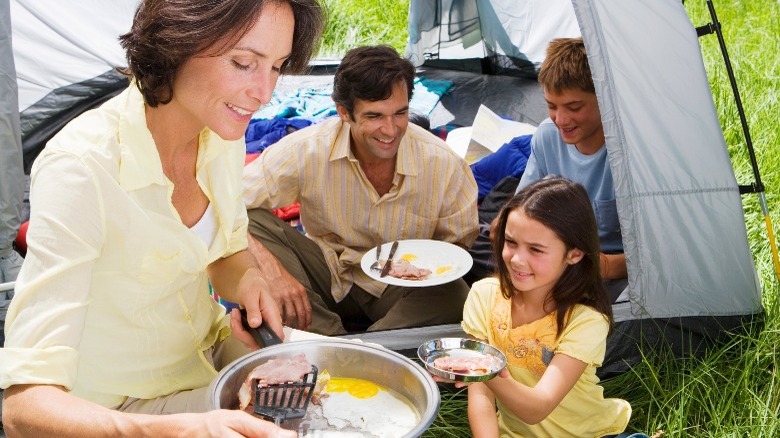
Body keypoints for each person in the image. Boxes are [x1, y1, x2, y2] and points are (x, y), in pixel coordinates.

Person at [0, 0, 324, 436]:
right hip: (121, 411)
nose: (264, 93)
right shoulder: (81, 169)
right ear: (177, 44)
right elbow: (23, 411)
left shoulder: (220, 131)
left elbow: (225, 254)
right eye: (244, 63)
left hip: (206, 359)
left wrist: (248, 282)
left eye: (277, 67)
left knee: (344, 386)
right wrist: (181, 430)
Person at [243, 45, 479, 335]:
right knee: (252, 224)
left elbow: (457, 246)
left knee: (455, 294)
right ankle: (334, 337)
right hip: (327, 272)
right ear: (344, 112)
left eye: (400, 113)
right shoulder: (307, 149)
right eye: (375, 116)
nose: (390, 130)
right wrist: (271, 270)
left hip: (397, 288)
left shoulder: (444, 164)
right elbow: (226, 202)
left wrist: (418, 270)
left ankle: (361, 348)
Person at [457, 176, 636, 437]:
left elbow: (537, 408)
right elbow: (482, 397)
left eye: (536, 250)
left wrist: (480, 370)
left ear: (574, 254)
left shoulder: (586, 320)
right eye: (511, 242)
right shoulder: (484, 296)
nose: (517, 259)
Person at [468, 37, 628, 302]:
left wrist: (605, 266)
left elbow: (657, 256)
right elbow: (518, 210)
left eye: (574, 108)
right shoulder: (546, 135)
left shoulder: (627, 153)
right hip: (547, 261)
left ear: (605, 100)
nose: (561, 120)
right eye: (552, 106)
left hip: (606, 272)